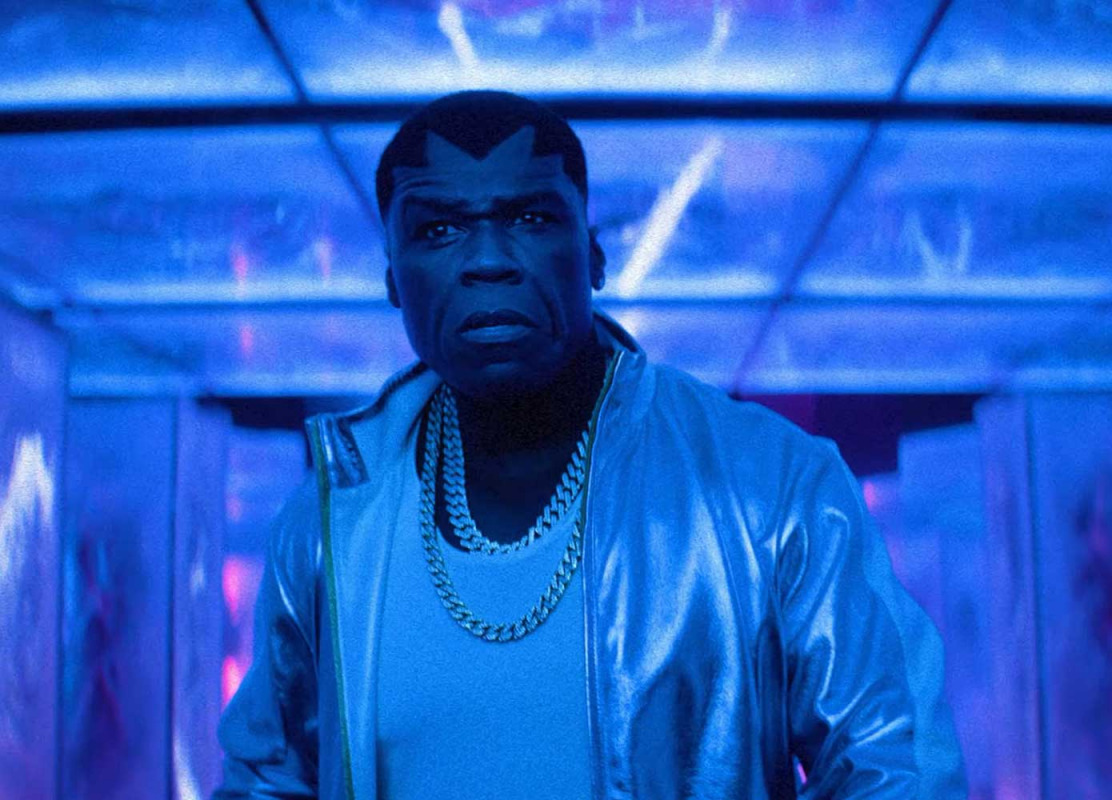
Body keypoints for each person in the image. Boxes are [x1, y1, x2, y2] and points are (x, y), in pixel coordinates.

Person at [214, 90, 966, 800]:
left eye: (531, 217)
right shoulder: (331, 525)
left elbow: (896, 763)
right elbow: (266, 780)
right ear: (392, 281)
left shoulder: (770, 485)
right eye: (438, 229)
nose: (488, 260)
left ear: (594, 256)